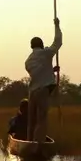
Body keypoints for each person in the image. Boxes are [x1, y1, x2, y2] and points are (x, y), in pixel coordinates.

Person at [25, 17, 62, 145]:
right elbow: (57, 43)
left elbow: (38, 73)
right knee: (41, 119)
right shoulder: (45, 53)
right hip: (42, 92)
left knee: (32, 121)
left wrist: (51, 69)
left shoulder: (28, 61)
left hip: (32, 93)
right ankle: (37, 145)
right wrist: (57, 25)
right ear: (41, 45)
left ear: (31, 46)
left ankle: (29, 143)